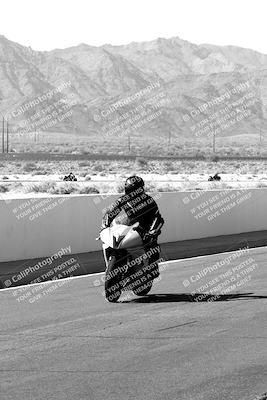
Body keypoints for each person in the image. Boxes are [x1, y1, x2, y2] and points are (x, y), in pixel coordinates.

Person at [102, 175, 164, 277]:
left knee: (152, 244)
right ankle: (109, 266)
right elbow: (111, 212)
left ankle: (152, 268)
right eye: (132, 189)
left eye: (137, 190)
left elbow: (157, 218)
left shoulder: (149, 201)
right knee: (109, 241)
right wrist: (105, 225)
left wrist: (152, 231)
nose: (135, 192)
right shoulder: (122, 200)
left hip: (146, 229)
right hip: (129, 227)